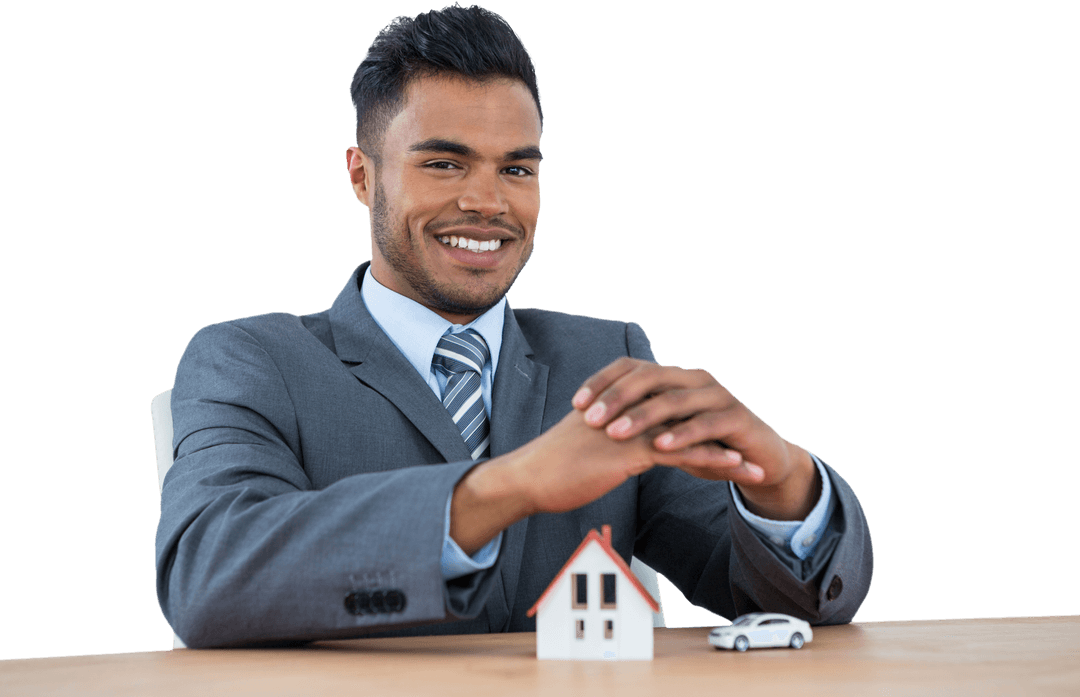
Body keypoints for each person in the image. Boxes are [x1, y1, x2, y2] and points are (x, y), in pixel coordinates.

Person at [155, 4, 872, 648]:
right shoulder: (253, 359)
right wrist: (509, 485)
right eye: (443, 162)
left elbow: (771, 594)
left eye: (518, 170)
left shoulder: (606, 357)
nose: (486, 201)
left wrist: (779, 480)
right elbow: (210, 574)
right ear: (362, 177)